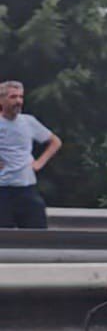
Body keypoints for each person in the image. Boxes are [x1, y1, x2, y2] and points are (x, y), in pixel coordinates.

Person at [0, 80, 62, 229]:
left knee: (37, 235)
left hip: (26, 187)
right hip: (2, 189)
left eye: (20, 97)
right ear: (1, 100)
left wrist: (39, 163)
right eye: (13, 97)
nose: (18, 101)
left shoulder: (28, 122)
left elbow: (55, 142)